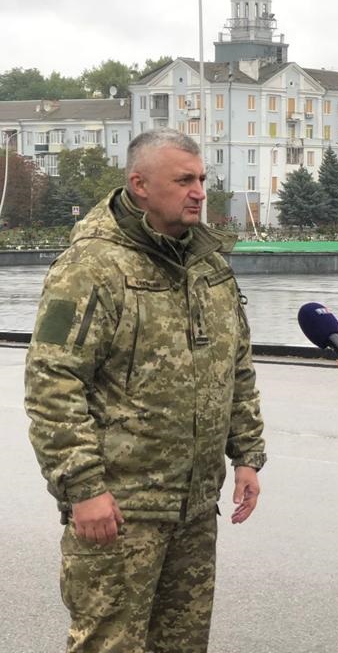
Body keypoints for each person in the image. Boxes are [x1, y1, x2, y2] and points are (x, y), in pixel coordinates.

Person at [24, 128, 267, 653]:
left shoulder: (208, 265)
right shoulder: (91, 267)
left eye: (201, 179)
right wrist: (83, 488)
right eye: (183, 180)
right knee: (109, 645)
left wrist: (247, 455)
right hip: (119, 511)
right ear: (140, 185)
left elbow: (236, 365)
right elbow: (52, 383)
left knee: (181, 646)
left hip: (194, 509)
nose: (199, 191)